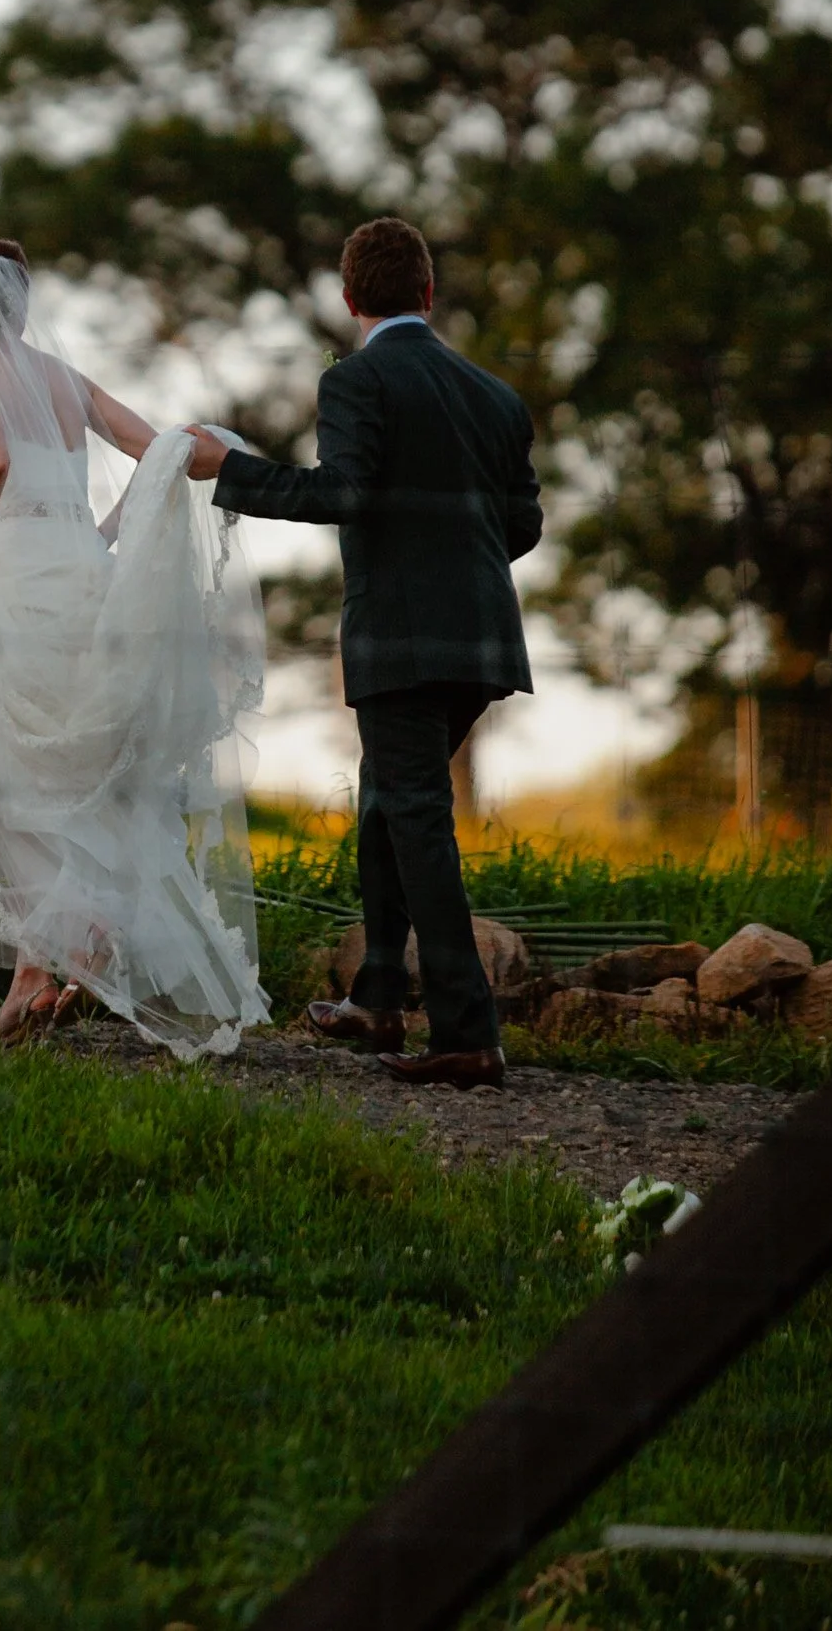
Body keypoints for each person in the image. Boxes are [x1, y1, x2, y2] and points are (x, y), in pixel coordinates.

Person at [0, 239, 267, 1056]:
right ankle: (36, 973)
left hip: (12, 580)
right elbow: (160, 451)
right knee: (64, 782)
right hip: (79, 580)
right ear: (21, 300)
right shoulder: (63, 378)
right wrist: (104, 537)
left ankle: (51, 963)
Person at [187, 215, 541, 1092]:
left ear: (349, 299)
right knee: (390, 800)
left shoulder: (355, 381)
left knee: (413, 816)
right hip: (484, 639)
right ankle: (378, 997)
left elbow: (340, 492)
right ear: (426, 291)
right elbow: (523, 523)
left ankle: (467, 1034)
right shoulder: (495, 397)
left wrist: (222, 472)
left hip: (399, 641)